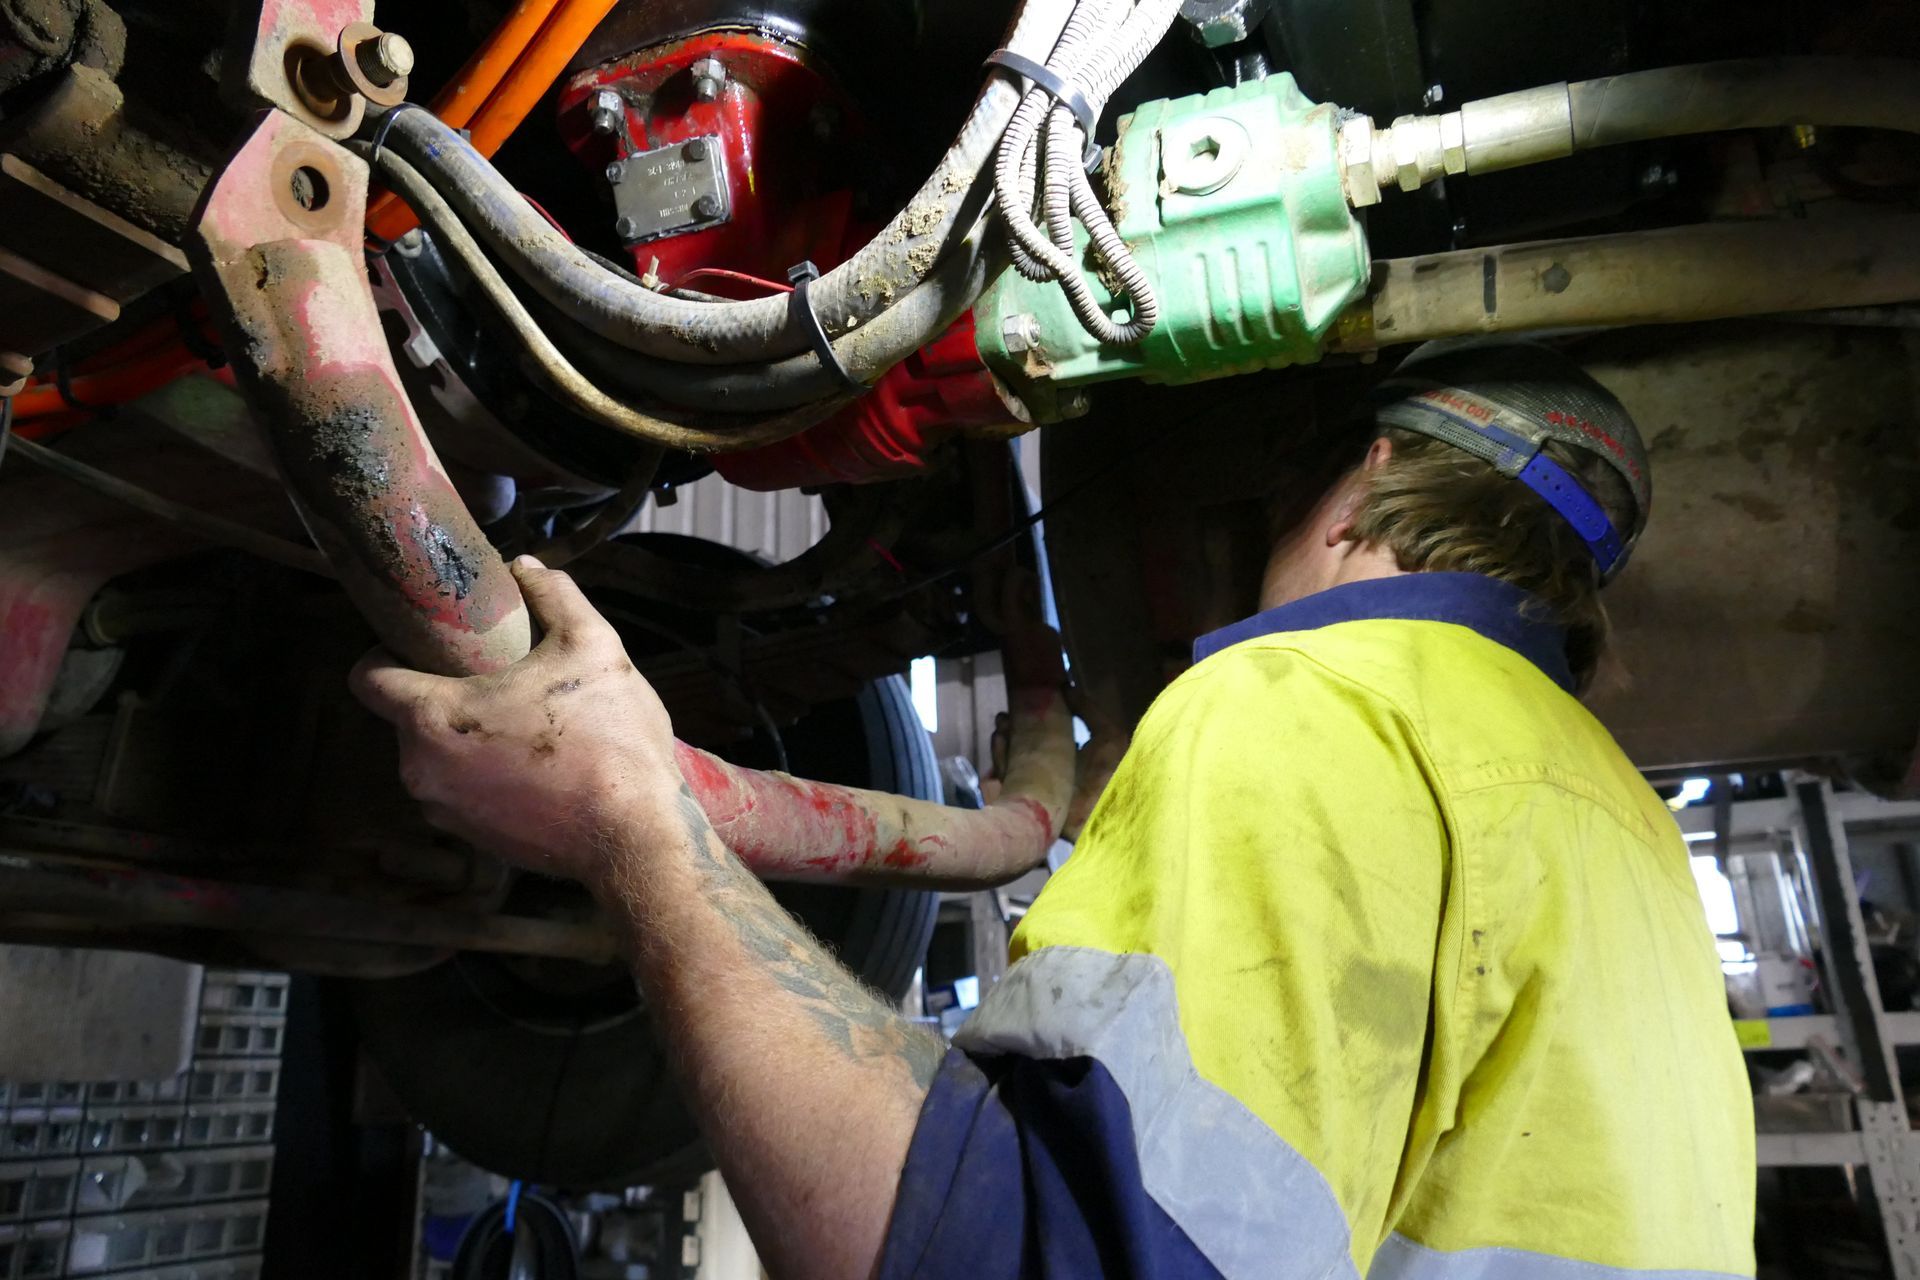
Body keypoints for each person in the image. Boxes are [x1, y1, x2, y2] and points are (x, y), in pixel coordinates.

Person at [352, 341, 1755, 1280]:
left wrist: (627, 820)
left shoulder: (1326, 702)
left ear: (1368, 482)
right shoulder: (1617, 826)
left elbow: (1025, 1249)